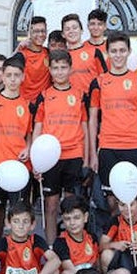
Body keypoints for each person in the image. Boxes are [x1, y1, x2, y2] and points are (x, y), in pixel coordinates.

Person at [88, 33, 137, 199]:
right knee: (111, 200)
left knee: (133, 200)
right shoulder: (98, 82)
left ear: (129, 52)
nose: (118, 55)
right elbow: (93, 120)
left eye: (122, 50)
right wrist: (93, 154)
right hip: (108, 148)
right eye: (114, 51)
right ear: (107, 53)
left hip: (135, 147)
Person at [32, 48, 89, 242]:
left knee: (72, 207)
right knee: (51, 205)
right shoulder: (44, 95)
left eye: (63, 67)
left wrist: (87, 158)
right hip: (50, 158)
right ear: (50, 70)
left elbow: (85, 127)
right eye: (55, 68)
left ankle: (72, 246)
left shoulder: (80, 95)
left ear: (70, 69)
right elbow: (37, 128)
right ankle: (51, 247)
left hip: (73, 155)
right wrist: (35, 160)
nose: (59, 72)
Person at [0, 55, 34, 230]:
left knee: (20, 215)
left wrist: (28, 148)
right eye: (9, 75)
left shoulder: (27, 105)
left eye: (16, 75)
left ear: (23, 77)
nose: (12, 79)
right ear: (2, 76)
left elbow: (29, 134)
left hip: (20, 168)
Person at [62, 13, 107, 97]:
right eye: (67, 29)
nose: (71, 31)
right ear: (63, 34)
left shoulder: (94, 52)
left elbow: (105, 78)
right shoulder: (61, 57)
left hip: (92, 100)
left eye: (75, 28)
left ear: (81, 30)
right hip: (70, 100)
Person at [17, 16, 52, 103]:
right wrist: (17, 49)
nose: (40, 34)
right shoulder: (22, 55)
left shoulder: (48, 53)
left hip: (44, 104)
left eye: (43, 31)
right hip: (26, 103)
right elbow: (7, 70)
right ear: (29, 33)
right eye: (36, 31)